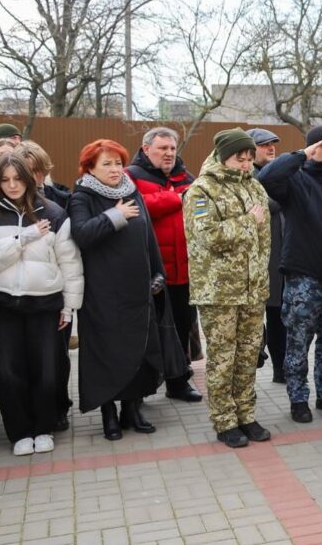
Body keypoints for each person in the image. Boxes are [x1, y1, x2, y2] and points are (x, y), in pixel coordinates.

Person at [69, 139, 188, 440]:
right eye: (106, 164)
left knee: (139, 350)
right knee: (107, 353)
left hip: (138, 287)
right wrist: (115, 216)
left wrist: (158, 273)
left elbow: (148, 236)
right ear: (90, 168)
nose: (114, 169)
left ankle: (132, 410)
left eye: (118, 163)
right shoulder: (82, 195)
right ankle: (109, 414)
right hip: (103, 293)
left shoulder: (130, 191)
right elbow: (82, 234)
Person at [256, 125, 322, 424]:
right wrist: (301, 155)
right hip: (305, 277)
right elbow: (265, 178)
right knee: (298, 342)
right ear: (311, 148)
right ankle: (298, 397)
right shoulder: (296, 180)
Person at [183, 129, 272, 448]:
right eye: (240, 158)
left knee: (248, 356)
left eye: (250, 159)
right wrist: (248, 221)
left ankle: (246, 414)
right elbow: (206, 236)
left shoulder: (255, 187)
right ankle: (224, 420)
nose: (246, 164)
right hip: (219, 291)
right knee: (223, 358)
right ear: (223, 156)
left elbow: (264, 242)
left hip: (253, 289)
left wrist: (261, 278)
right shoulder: (200, 191)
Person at [0, 154, 82, 456]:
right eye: (4, 180)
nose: (11, 185)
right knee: (8, 371)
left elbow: (70, 265)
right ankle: (20, 431)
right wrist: (24, 237)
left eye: (17, 179)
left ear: (29, 179)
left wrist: (68, 308)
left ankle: (44, 427)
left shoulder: (54, 212)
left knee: (46, 371)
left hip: (45, 305)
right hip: (4, 306)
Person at [125, 127, 202, 403]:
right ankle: (140, 391)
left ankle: (178, 383)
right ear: (146, 150)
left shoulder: (186, 177)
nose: (169, 153)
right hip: (150, 270)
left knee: (181, 329)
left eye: (172, 148)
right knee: (148, 332)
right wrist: (176, 199)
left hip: (183, 270)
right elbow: (136, 205)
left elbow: (200, 206)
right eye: (163, 148)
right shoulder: (130, 176)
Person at [16, 141, 74, 430]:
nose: (32, 177)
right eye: (26, 171)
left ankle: (59, 406)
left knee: (57, 359)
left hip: (55, 294)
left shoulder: (60, 201)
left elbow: (71, 256)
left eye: (37, 171)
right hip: (20, 296)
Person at [249, 128, 287, 384]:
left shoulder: (276, 175)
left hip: (279, 258)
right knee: (258, 317)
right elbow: (263, 205)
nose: (271, 148)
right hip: (255, 262)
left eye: (273, 144)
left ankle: (280, 369)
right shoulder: (248, 176)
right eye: (264, 145)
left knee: (278, 317)